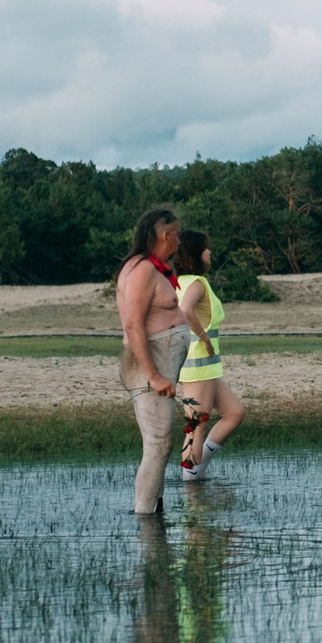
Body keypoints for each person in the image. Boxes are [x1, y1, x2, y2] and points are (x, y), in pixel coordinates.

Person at [118, 208, 193, 516]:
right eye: (177, 234)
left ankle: (154, 513)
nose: (179, 240)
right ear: (164, 235)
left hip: (159, 366)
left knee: (161, 443)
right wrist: (153, 375)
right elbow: (132, 324)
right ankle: (146, 519)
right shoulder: (142, 270)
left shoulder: (151, 268)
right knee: (158, 443)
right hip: (148, 368)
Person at [173, 230, 248, 480]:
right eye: (205, 248)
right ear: (195, 254)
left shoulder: (180, 282)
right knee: (196, 426)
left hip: (206, 366)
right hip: (199, 366)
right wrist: (204, 338)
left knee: (235, 412)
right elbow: (185, 310)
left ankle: (198, 470)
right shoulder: (196, 283)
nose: (210, 252)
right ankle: (190, 484)